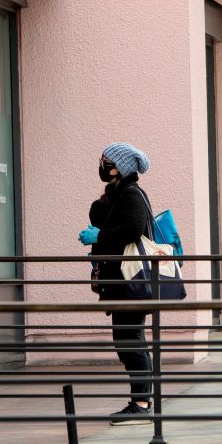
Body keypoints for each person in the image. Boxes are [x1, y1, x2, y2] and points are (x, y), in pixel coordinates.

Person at [78, 142, 155, 425]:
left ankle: (141, 403)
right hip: (122, 282)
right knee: (126, 340)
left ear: (119, 167)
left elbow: (131, 230)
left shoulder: (131, 194)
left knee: (130, 340)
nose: (101, 164)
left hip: (131, 282)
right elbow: (98, 216)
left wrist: (99, 237)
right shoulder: (117, 195)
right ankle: (142, 400)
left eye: (106, 160)